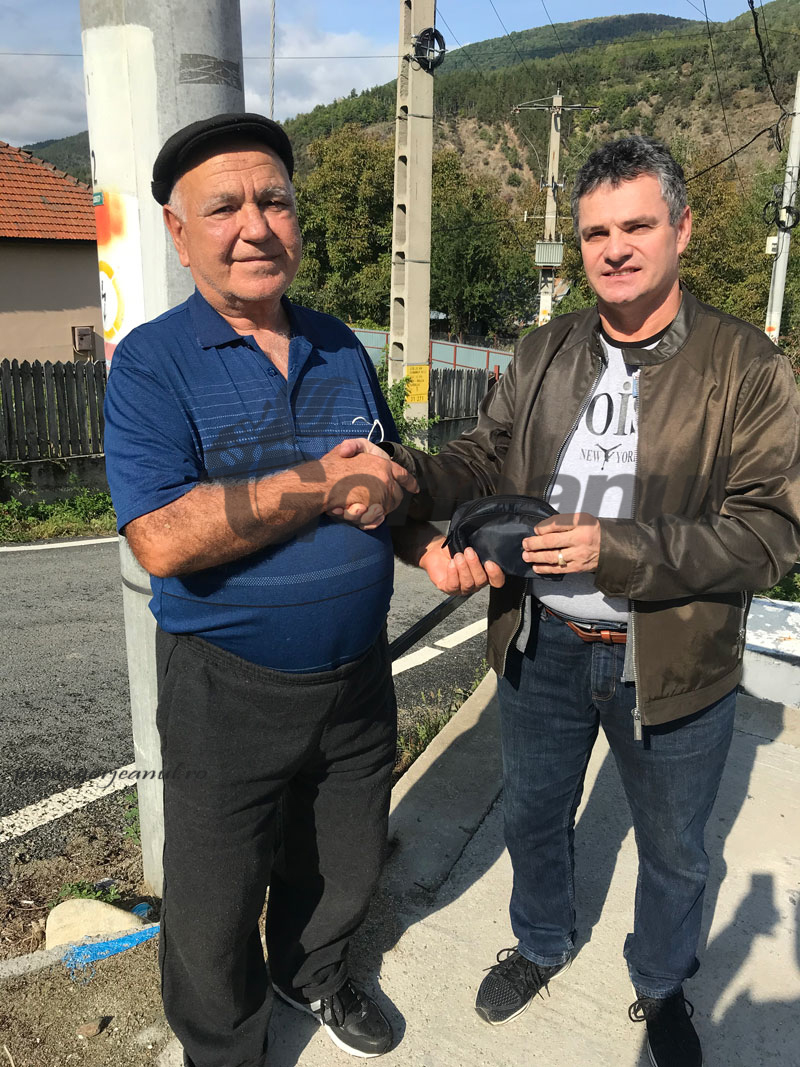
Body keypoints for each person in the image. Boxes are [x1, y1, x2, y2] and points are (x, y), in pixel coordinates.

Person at [374, 136, 800, 1067]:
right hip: (543, 639)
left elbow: (771, 533)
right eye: (596, 232)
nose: (614, 249)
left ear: (682, 229)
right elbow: (483, 459)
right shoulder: (546, 350)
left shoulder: (746, 365)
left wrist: (619, 549)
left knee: (676, 848)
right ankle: (541, 941)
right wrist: (402, 476)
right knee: (532, 814)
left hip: (673, 655)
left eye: (636, 226)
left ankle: (663, 983)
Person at [103, 113, 418, 1067]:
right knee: (213, 898)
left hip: (357, 679)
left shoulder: (340, 345)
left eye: (274, 200)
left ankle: (311, 973)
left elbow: (384, 478)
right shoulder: (151, 363)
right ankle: (224, 1048)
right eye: (225, 207)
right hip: (225, 689)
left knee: (343, 855)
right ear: (178, 232)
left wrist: (426, 532)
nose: (255, 226)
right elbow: (162, 537)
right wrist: (321, 482)